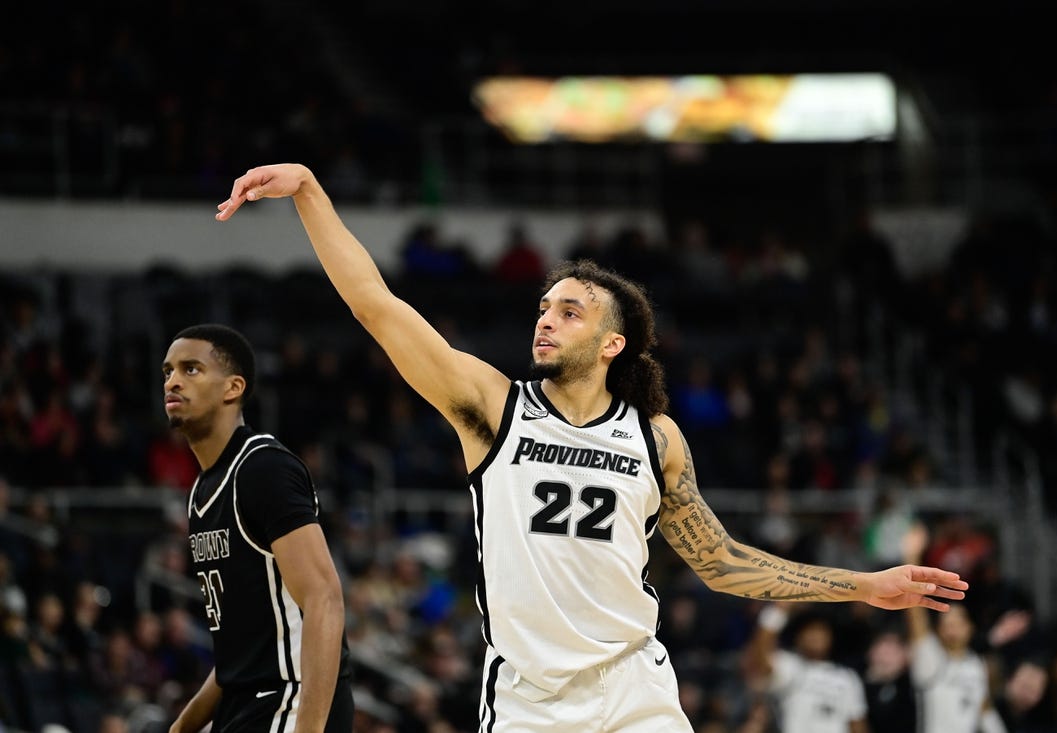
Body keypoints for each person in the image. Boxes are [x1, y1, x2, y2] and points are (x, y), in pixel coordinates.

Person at [214, 164, 969, 733]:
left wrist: (862, 586)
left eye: (568, 311)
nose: (545, 320)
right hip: (528, 703)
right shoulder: (492, 408)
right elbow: (376, 307)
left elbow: (723, 561)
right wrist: (310, 192)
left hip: (634, 691)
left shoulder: (655, 436)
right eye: (543, 308)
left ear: (612, 342)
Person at [161, 324, 353, 733]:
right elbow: (243, 649)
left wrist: (310, 728)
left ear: (233, 388)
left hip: (290, 700)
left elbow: (325, 599)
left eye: (191, 369)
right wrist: (182, 725)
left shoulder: (263, 468)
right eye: (168, 372)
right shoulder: (201, 492)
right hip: (245, 705)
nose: (173, 381)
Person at [902, 525, 1005, 733]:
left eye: (958, 623)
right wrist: (910, 556)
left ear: (970, 628)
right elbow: (915, 615)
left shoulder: (976, 664)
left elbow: (984, 710)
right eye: (947, 625)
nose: (953, 629)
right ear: (939, 631)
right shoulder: (930, 658)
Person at [747, 604, 869, 733]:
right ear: (798, 637)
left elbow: (857, 723)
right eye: (810, 631)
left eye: (822, 631)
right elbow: (762, 655)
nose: (816, 636)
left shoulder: (847, 677)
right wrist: (777, 611)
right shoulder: (790, 666)